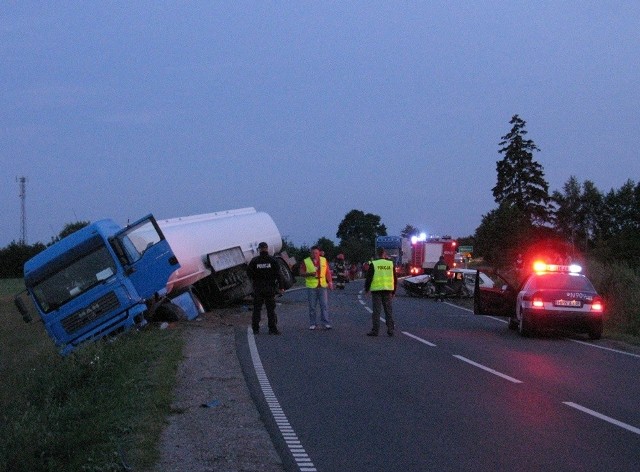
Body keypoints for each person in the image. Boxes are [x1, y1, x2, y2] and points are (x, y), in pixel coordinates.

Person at [247, 242, 286, 335]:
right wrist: (281, 287)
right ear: (267, 248)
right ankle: (272, 329)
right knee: (270, 309)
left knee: (257, 309)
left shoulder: (254, 261)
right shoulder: (273, 260)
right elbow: (279, 274)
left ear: (259, 249)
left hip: (258, 288)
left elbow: (249, 274)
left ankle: (255, 329)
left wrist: (255, 281)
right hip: (270, 288)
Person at [364, 247, 397, 337]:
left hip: (377, 290)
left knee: (376, 311)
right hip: (387, 290)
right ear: (384, 253)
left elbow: (369, 278)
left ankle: (375, 330)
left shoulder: (374, 264)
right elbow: (394, 278)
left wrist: (367, 290)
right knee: (388, 311)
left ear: (377, 254)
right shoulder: (390, 264)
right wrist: (394, 291)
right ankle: (390, 330)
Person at [299, 246, 333, 330]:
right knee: (312, 306)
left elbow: (327, 272)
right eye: (313, 253)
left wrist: (330, 282)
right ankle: (313, 323)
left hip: (322, 286)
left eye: (316, 253)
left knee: (324, 305)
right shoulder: (306, 261)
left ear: (319, 253)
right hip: (312, 287)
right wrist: (310, 274)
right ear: (310, 253)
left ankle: (325, 323)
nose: (315, 254)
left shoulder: (323, 260)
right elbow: (301, 273)